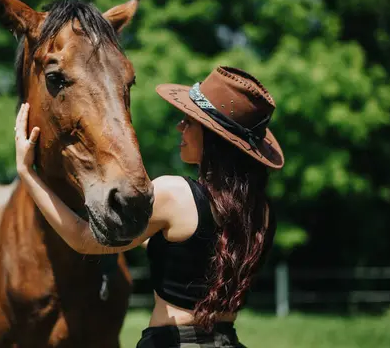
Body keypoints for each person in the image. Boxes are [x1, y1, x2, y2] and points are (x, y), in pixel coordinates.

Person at [15, 66, 284, 347]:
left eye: (190, 121)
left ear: (214, 138)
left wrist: (27, 173)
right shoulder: (261, 212)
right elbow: (188, 249)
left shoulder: (174, 194)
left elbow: (83, 239)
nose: (180, 126)